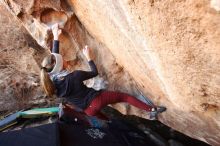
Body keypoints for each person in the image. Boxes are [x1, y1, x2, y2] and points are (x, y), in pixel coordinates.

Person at [40, 23, 166, 120]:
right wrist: (89, 58)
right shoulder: (75, 76)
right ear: (60, 66)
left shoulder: (51, 83)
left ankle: (109, 122)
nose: (65, 60)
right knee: (125, 97)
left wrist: (56, 36)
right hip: (96, 100)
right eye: (63, 61)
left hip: (88, 111)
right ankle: (151, 109)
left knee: (104, 118)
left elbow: (54, 60)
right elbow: (94, 72)